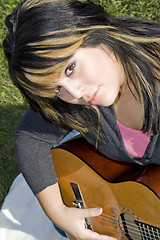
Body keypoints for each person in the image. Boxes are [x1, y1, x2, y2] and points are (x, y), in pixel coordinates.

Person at [3, 0, 160, 239]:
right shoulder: (81, 96)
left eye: (70, 68)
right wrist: (58, 213)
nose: (74, 94)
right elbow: (31, 137)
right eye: (55, 88)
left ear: (93, 31)